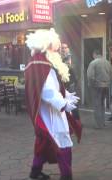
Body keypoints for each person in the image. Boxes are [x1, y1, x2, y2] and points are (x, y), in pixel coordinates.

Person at [24, 29, 82, 180]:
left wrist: (67, 95)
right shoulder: (41, 63)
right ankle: (66, 175)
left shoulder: (38, 62)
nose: (56, 51)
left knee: (44, 143)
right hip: (50, 112)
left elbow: (53, 86)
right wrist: (63, 103)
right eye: (54, 48)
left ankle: (35, 172)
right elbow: (47, 90)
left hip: (47, 111)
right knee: (62, 142)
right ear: (47, 46)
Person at [87, 49, 112, 129]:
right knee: (102, 105)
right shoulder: (107, 62)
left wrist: (91, 85)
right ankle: (103, 122)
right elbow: (111, 74)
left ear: (95, 54)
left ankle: (99, 124)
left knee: (97, 105)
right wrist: (108, 83)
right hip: (106, 86)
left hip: (96, 86)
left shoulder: (93, 63)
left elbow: (90, 76)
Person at [61, 43, 80, 120]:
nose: (64, 49)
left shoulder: (73, 58)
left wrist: (76, 81)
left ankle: (76, 120)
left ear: (68, 49)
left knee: (73, 102)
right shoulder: (60, 60)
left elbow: (77, 70)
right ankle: (68, 119)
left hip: (72, 83)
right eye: (62, 48)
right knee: (65, 102)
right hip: (63, 83)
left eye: (65, 48)